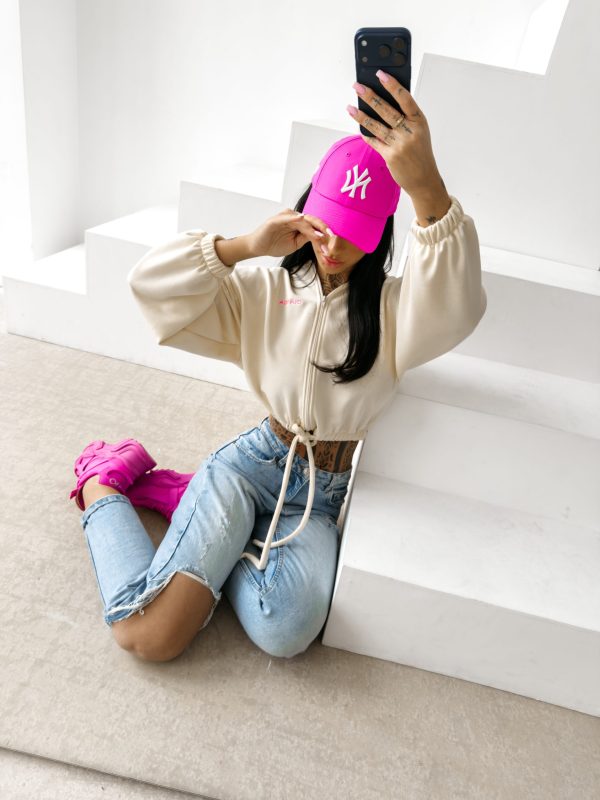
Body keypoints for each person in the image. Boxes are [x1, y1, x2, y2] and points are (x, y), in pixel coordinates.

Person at [69, 71, 487, 663]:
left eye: (355, 234)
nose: (333, 248)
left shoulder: (396, 311)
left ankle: (193, 508)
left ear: (380, 235)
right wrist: (242, 247)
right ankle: (102, 479)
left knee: (285, 629)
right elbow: (150, 286)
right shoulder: (265, 289)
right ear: (304, 211)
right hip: (250, 467)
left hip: (320, 496)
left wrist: (427, 188)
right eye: (325, 226)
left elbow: (458, 306)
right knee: (148, 636)